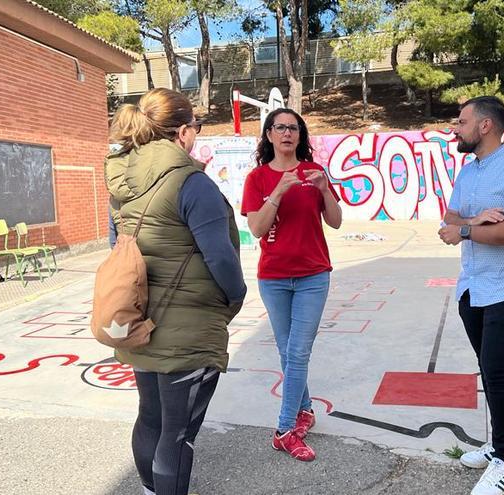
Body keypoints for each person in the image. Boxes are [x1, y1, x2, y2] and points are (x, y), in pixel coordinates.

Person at [105, 88, 247, 495]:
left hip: (138, 317)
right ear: (184, 131)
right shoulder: (191, 182)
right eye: (196, 128)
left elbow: (118, 246)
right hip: (187, 325)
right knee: (178, 431)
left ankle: (151, 490)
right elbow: (221, 258)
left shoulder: (123, 180)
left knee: (150, 416)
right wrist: (233, 299)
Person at [438, 96, 504, 495]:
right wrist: (475, 220)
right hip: (472, 287)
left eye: (462, 121)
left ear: (485, 126)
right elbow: (449, 220)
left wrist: (465, 230)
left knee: (497, 371)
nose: (456, 128)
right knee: (489, 369)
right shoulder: (467, 172)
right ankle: (502, 441)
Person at [241, 108, 342, 462]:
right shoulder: (257, 179)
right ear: (269, 135)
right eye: (280, 127)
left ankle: (285, 430)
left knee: (298, 352)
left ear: (301, 135)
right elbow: (256, 229)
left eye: (294, 128)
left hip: (314, 275)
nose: (287, 133)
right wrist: (278, 193)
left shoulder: (314, 172)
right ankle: (306, 409)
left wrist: (325, 189)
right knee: (288, 353)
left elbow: (336, 221)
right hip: (274, 278)